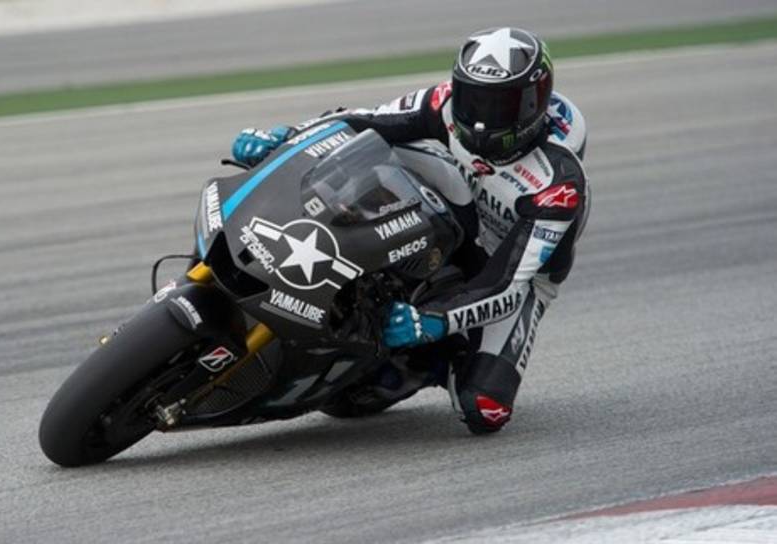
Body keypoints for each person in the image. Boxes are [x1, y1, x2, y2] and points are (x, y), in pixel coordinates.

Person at [230, 27, 589, 434]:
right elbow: (362, 120)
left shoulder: (557, 185)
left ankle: (430, 360)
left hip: (512, 270)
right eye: (473, 98)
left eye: (501, 105)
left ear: (534, 104)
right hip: (460, 208)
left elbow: (506, 283)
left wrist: (434, 322)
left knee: (484, 408)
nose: (481, 118)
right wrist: (285, 139)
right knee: (376, 146)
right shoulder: (445, 103)